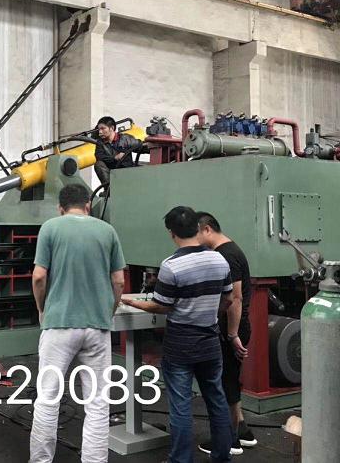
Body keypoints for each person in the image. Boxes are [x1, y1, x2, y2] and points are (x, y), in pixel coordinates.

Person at [122, 206, 233, 463]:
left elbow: (161, 306)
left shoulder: (171, 266)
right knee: (217, 400)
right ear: (197, 228)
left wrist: (133, 301)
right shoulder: (220, 259)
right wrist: (209, 313)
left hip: (180, 344)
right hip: (210, 342)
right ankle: (222, 457)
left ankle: (181, 459)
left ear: (172, 233)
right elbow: (228, 299)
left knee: (181, 406)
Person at [30, 184, 126, 463]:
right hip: (97, 327)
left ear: (60, 208)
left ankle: (41, 460)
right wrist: (108, 311)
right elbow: (119, 280)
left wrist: (42, 309)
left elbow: (39, 276)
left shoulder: (50, 228)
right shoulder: (107, 231)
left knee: (48, 396)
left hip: (59, 324)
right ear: (88, 205)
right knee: (98, 402)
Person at [196, 212, 256, 454]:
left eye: (197, 234)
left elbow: (236, 298)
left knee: (224, 383)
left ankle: (228, 440)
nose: (195, 240)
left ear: (207, 229)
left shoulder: (226, 255)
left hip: (233, 328)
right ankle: (242, 430)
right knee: (230, 379)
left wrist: (232, 334)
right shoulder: (229, 251)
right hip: (235, 327)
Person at [93, 116, 143, 190]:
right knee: (98, 164)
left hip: (128, 172)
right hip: (112, 174)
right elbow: (99, 156)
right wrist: (115, 158)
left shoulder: (125, 139)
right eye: (99, 129)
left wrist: (154, 144)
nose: (100, 132)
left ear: (112, 128)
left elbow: (141, 146)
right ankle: (109, 190)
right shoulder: (100, 143)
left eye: (103, 128)